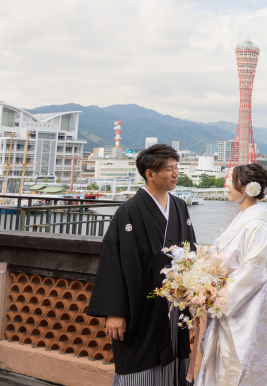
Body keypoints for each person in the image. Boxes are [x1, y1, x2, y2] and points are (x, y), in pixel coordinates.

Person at [88, 144, 197, 386]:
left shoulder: (180, 206)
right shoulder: (128, 211)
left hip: (175, 302)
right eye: (169, 169)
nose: (176, 174)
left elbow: (191, 250)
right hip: (141, 305)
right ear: (150, 174)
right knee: (139, 361)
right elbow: (113, 262)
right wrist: (115, 311)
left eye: (176, 168)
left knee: (176, 357)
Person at [195, 163, 267, 386]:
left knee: (237, 370)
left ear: (248, 189)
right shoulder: (246, 222)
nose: (228, 186)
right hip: (232, 309)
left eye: (232, 182)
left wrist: (218, 300)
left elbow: (253, 272)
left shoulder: (256, 226)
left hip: (243, 311)